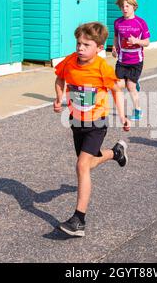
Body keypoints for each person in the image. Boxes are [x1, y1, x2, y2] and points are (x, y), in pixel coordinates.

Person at [53, 22, 131, 237]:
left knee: (82, 166)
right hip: (76, 121)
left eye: (86, 45)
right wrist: (59, 98)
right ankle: (116, 152)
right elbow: (60, 78)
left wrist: (123, 115)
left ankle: (79, 220)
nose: (80, 48)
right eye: (78, 43)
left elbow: (116, 91)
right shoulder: (69, 62)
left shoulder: (102, 68)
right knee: (88, 164)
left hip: (96, 123)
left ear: (98, 48)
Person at [112, 0, 150, 121]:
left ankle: (138, 110)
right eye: (122, 6)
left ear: (134, 7)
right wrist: (114, 48)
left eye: (127, 6)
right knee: (116, 84)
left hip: (136, 61)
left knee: (130, 86)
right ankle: (134, 82)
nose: (125, 9)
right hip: (122, 60)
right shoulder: (117, 22)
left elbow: (147, 42)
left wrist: (136, 41)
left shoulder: (141, 22)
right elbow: (116, 37)